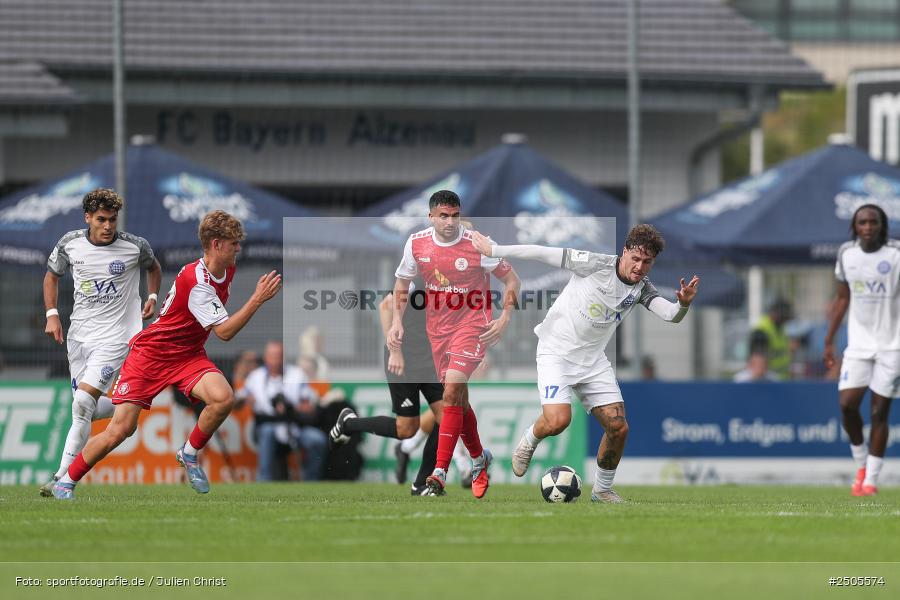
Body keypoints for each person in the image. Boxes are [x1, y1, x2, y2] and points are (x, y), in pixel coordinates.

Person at [51, 210, 282, 499]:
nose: (238, 248)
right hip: (152, 355)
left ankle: (189, 453)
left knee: (223, 398)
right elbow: (224, 333)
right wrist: (257, 299)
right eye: (233, 243)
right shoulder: (197, 282)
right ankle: (66, 482)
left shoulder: (226, 268)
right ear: (216, 244)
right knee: (121, 429)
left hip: (187, 355)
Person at [471, 224, 699, 503]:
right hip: (555, 352)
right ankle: (530, 439)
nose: (639, 267)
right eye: (635, 259)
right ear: (624, 251)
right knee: (558, 421)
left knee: (619, 428)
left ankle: (602, 490)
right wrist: (494, 250)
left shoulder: (641, 289)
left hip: (593, 363)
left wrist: (683, 304)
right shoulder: (594, 264)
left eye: (647, 262)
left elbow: (670, 315)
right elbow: (542, 252)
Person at [337, 190, 522, 498]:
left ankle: (434, 475)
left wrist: (504, 319)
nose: (452, 224)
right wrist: (396, 332)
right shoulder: (420, 251)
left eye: (456, 217)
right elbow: (393, 293)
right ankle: (476, 459)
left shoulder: (477, 247)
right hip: (422, 349)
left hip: (468, 330)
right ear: (432, 218)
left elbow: (512, 280)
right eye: (444, 217)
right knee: (433, 415)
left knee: (449, 399)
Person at [39, 188, 162, 497]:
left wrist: (151, 296)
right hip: (79, 336)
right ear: (88, 218)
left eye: (112, 220)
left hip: (116, 338)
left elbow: (154, 268)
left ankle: (62, 478)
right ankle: (128, 406)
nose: (108, 226)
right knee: (85, 409)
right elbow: (51, 276)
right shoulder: (70, 244)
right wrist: (52, 314)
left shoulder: (135, 247)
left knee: (81, 403)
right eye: (102, 220)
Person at [329, 283, 446, 495]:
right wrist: (395, 351)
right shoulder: (421, 275)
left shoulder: (458, 280)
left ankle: (422, 483)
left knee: (447, 416)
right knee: (407, 429)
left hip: (431, 361)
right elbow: (385, 306)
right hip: (404, 358)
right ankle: (349, 424)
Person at [824, 203, 900, 497]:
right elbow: (842, 298)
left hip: (892, 346)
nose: (868, 227)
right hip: (858, 345)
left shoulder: (895, 254)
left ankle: (870, 481)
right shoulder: (847, 254)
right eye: (862, 223)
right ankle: (860, 465)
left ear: (882, 225)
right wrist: (829, 339)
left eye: (873, 222)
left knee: (880, 413)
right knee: (847, 405)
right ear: (855, 227)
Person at [239, 340, 327, 481]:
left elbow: (309, 404)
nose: (275, 360)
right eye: (272, 355)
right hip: (267, 424)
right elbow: (239, 399)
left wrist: (291, 407)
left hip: (293, 425)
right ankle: (264, 483)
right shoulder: (256, 377)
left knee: (317, 440)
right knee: (267, 431)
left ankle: (312, 483)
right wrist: (246, 399)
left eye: (279, 355)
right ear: (266, 357)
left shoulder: (296, 374)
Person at [750, 297, 793, 380]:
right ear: (774, 313)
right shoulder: (762, 331)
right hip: (767, 380)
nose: (785, 319)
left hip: (781, 379)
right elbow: (758, 361)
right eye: (783, 315)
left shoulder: (781, 328)